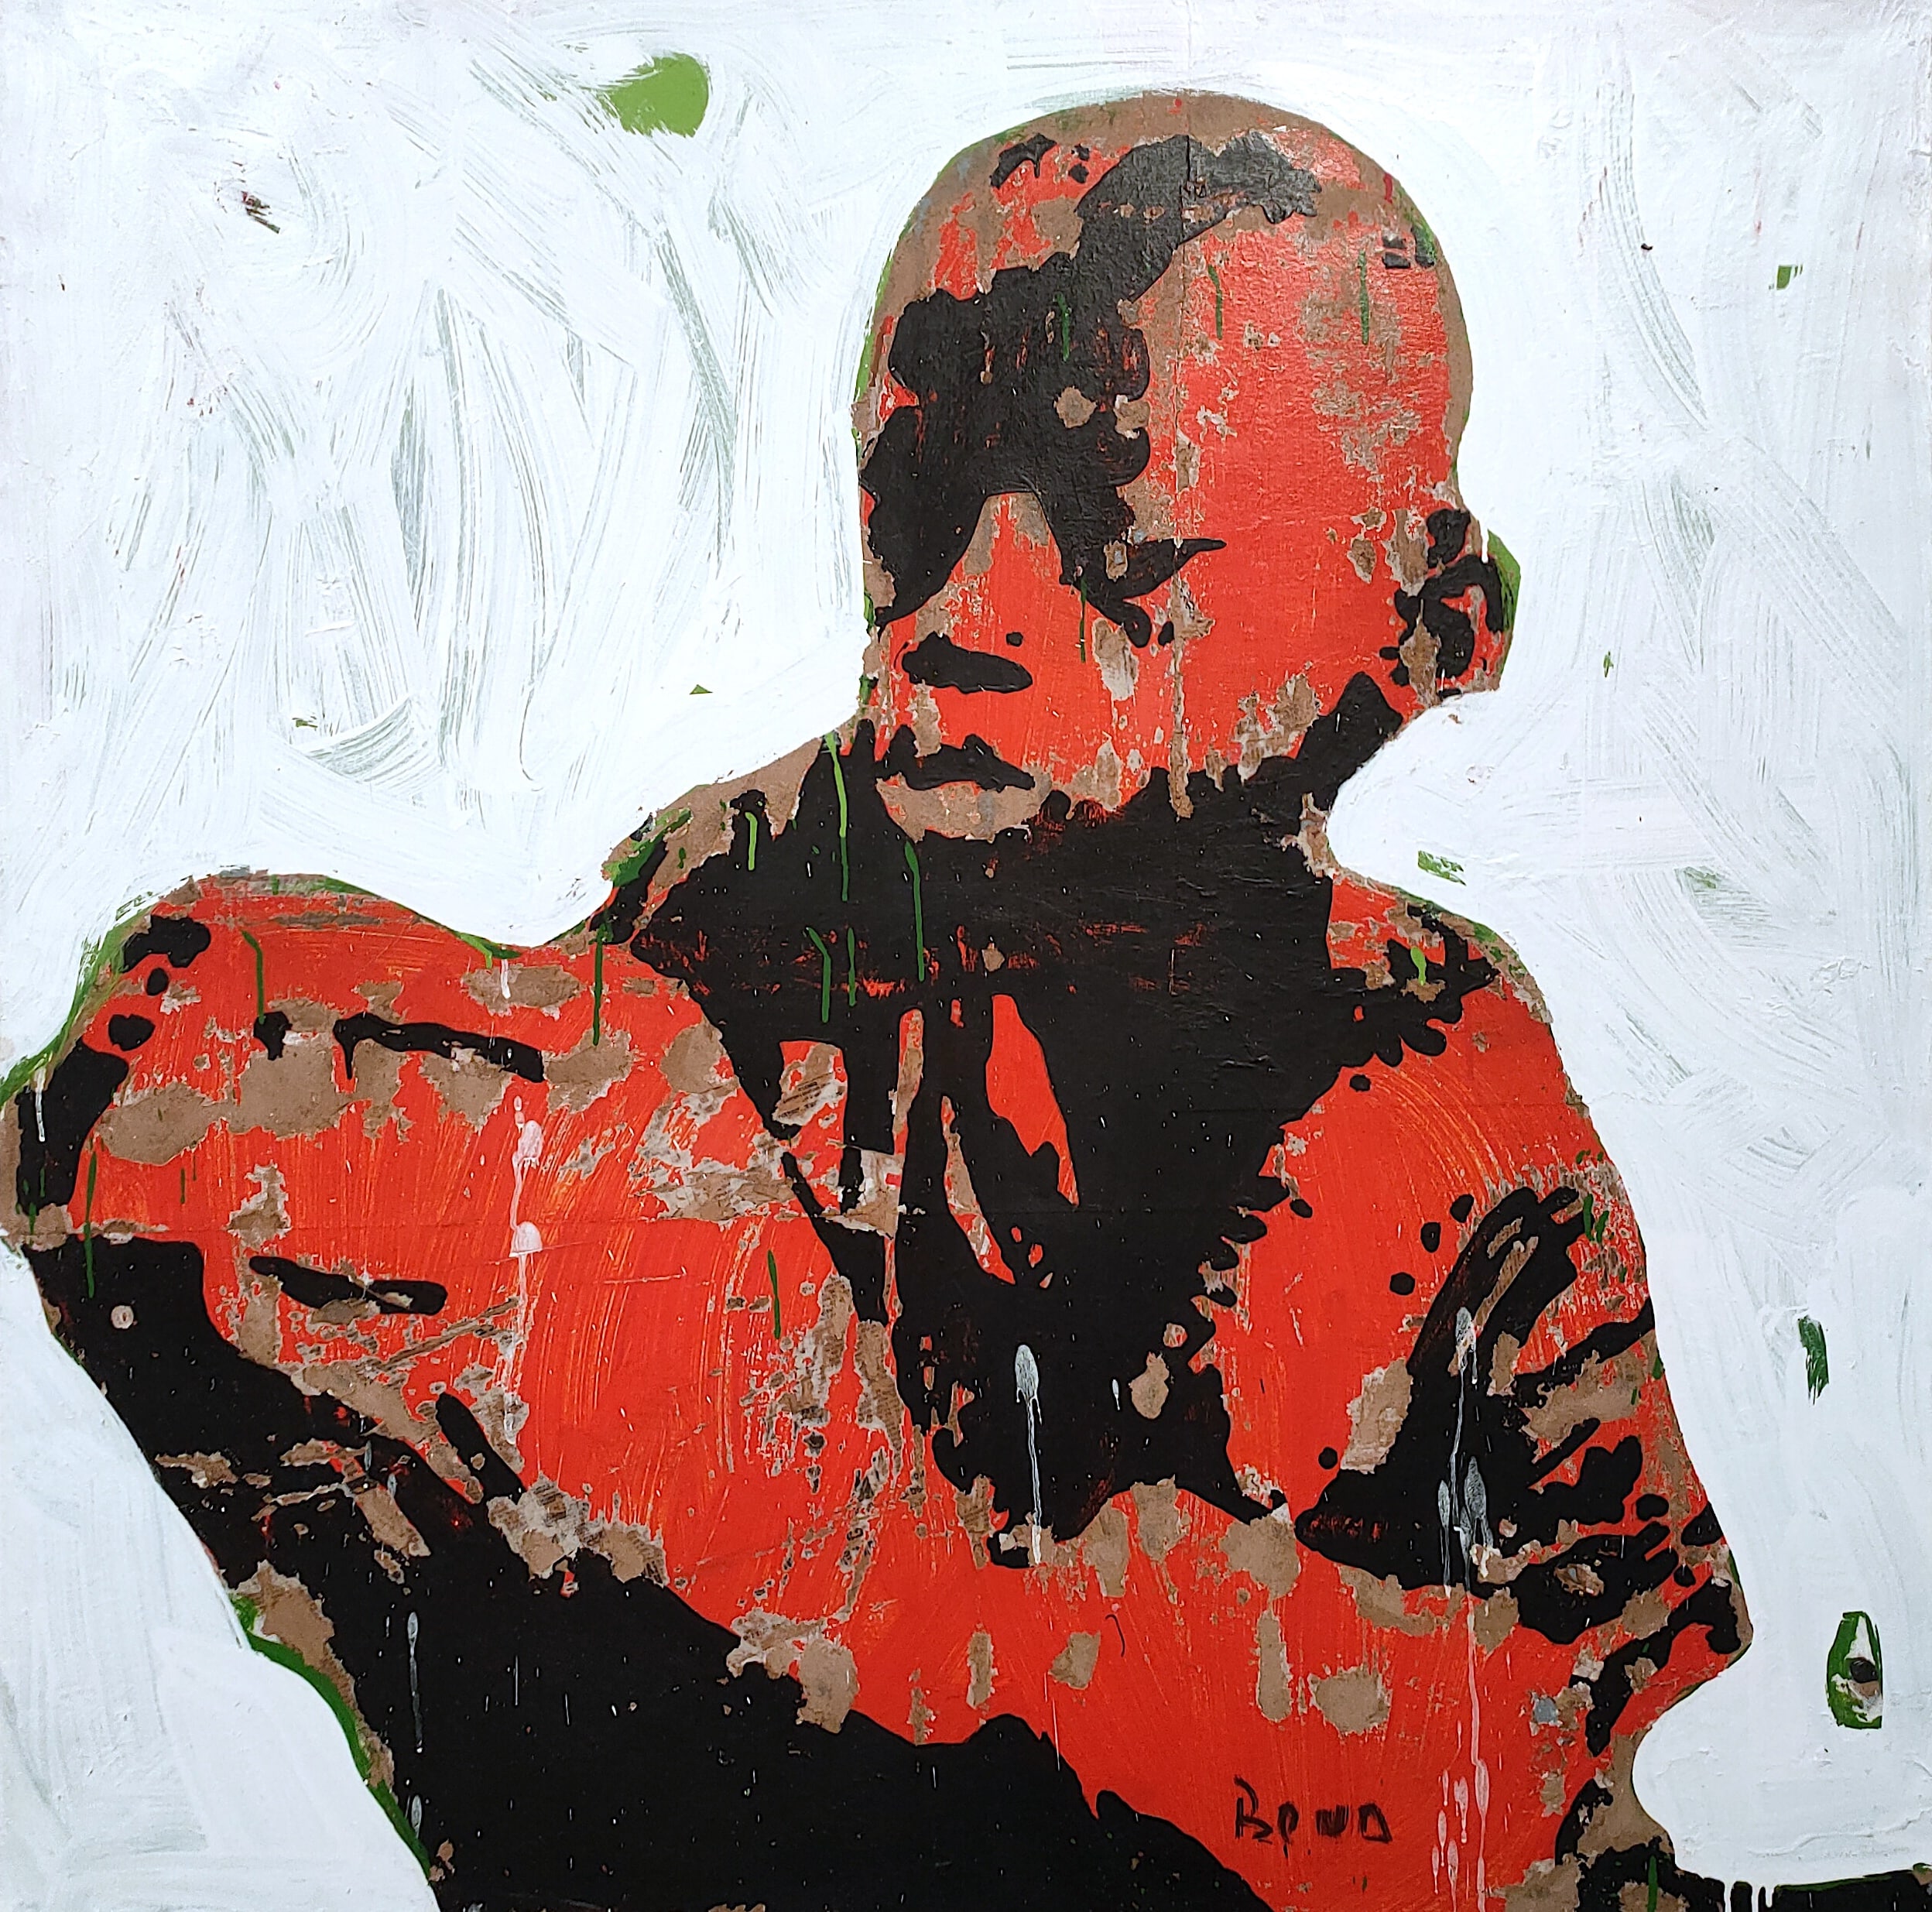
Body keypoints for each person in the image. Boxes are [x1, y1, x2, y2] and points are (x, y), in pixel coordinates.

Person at [8, 95, 1746, 1911]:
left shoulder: (1448, 1084)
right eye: (920, 490)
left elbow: (1546, 1794)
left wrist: (878, 1569)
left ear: (1421, 624)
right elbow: (203, 1088)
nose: (968, 609)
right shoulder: (752, 905)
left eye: (1119, 525)